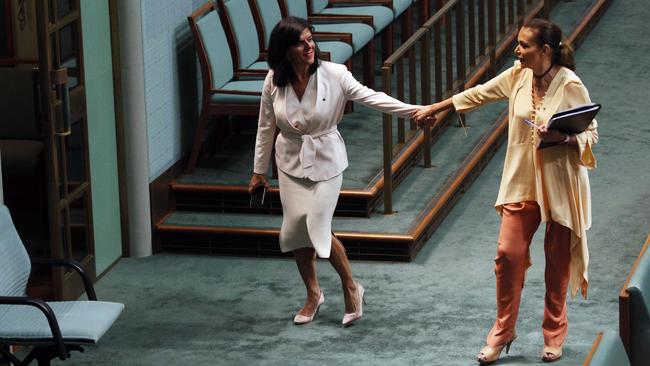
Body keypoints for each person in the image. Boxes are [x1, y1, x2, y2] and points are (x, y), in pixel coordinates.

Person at [414, 18, 598, 363]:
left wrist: (565, 137)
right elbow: (479, 93)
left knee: (557, 263)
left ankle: (554, 332)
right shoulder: (517, 75)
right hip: (521, 181)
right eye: (518, 44)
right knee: (508, 256)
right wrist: (436, 109)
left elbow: (592, 132)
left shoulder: (571, 84)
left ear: (545, 51)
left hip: (560, 184)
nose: (517, 50)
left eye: (524, 45)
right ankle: (502, 332)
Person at [249, 17, 425, 327]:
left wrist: (415, 111)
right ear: (285, 50)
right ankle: (313, 294)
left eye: (310, 39)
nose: (310, 46)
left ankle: (351, 287)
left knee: (317, 226)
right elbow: (266, 127)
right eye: (301, 42)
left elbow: (373, 98)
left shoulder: (335, 74)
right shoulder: (273, 79)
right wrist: (259, 171)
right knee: (294, 232)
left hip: (326, 160)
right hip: (289, 163)